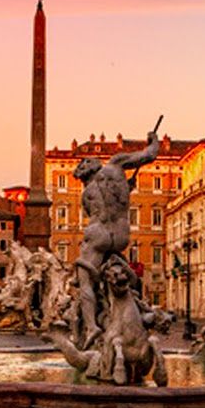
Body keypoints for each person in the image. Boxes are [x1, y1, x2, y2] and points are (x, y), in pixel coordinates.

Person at [73, 130, 160, 346]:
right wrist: (153, 140)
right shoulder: (116, 165)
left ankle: (92, 327)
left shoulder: (86, 194)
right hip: (121, 235)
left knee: (85, 281)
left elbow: (96, 212)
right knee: (113, 270)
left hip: (98, 234)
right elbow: (149, 154)